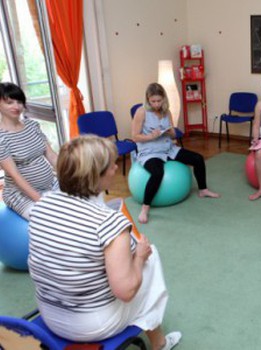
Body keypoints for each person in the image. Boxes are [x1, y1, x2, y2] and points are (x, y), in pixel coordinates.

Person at [28, 135, 181, 350]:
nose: (116, 168)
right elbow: (126, 292)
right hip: (90, 326)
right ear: (95, 176)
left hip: (49, 315)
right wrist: (139, 257)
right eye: (111, 165)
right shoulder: (109, 223)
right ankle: (160, 343)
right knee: (150, 256)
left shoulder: (42, 204)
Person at [132, 83, 219, 224]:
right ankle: (145, 207)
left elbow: (173, 135)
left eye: (159, 101)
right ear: (148, 99)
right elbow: (135, 136)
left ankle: (203, 189)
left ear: (163, 99)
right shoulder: (141, 112)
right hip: (150, 151)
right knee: (157, 173)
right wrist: (150, 137)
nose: (156, 104)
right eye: (153, 101)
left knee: (198, 159)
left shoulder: (167, 112)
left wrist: (170, 131)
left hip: (168, 148)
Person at [0, 82, 58, 219]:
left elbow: (51, 155)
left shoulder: (32, 125)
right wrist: (42, 201)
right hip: (20, 195)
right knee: (54, 219)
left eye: (19, 102)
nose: (16, 106)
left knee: (81, 200)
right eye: (10, 102)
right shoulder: (1, 137)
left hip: (50, 184)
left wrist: (70, 176)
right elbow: (15, 176)